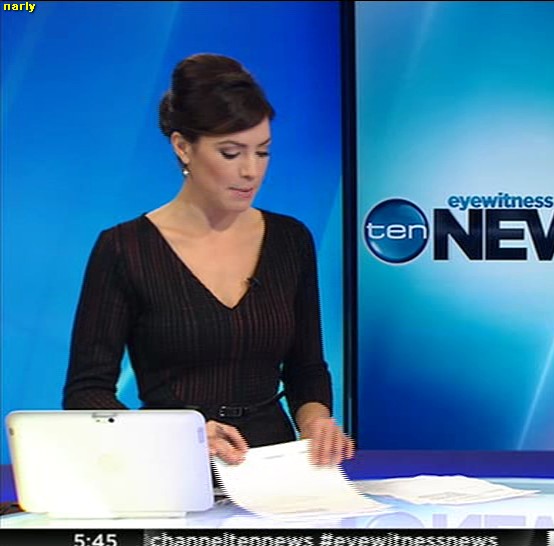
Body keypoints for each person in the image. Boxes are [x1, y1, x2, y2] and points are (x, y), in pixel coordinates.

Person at [63, 54, 353, 468]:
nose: (251, 171)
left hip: (275, 471)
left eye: (263, 152)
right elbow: (87, 393)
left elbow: (306, 368)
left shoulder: (290, 240)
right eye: (231, 153)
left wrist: (316, 422)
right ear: (183, 147)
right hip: (172, 466)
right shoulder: (123, 249)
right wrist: (182, 436)